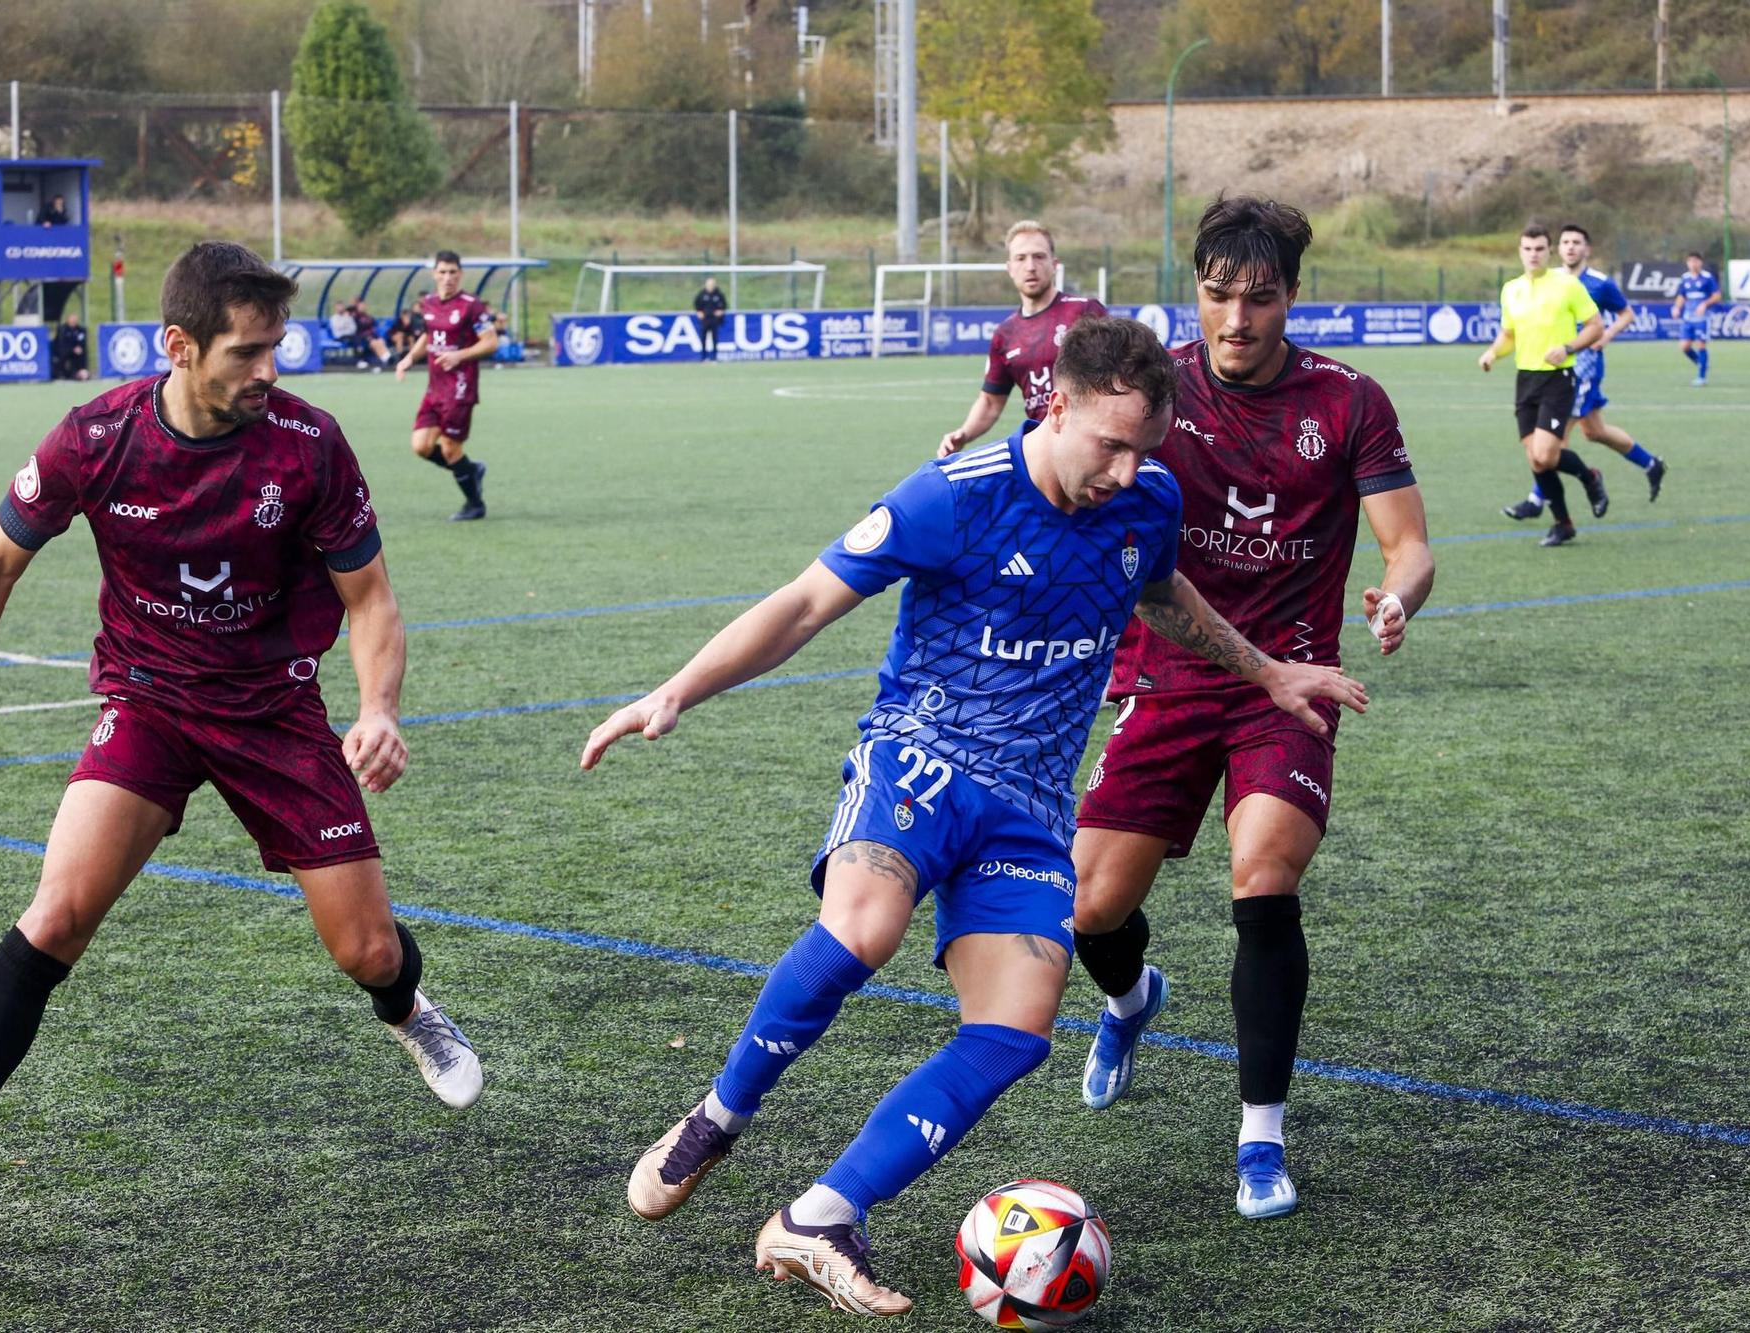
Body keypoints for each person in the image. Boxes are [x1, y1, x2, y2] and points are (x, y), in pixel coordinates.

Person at [585, 316, 1366, 1317]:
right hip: (920, 757)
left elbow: (1161, 592)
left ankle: (820, 1215)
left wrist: (1265, 668)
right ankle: (716, 1117)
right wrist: (676, 691)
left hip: (1030, 806)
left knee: (1014, 1030)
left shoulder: (1148, 501)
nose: (1129, 472)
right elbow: (803, 604)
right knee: (862, 927)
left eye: (1146, 450)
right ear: (1056, 405)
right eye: (1111, 445)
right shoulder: (950, 498)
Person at [0, 242, 481, 1235]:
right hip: (149, 702)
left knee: (368, 949)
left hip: (275, 711)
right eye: (247, 352)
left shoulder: (308, 444)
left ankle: (408, 1009)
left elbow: (368, 597)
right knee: (58, 911)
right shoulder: (97, 437)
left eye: (275, 347)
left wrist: (377, 708)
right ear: (179, 346)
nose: (269, 370)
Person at [1068, 196, 1433, 1224]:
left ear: (1290, 298)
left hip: (1293, 685)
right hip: (1164, 676)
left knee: (1262, 872)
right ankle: (1132, 999)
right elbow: (1073, 485)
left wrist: (1396, 594)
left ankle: (1259, 1138)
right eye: (1218, 297)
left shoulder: (1349, 401)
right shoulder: (1155, 392)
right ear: (1198, 293)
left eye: (1258, 299)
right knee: (1088, 909)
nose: (1236, 320)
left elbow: (1407, 543)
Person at [1504, 223, 1666, 519]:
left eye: (1577, 242)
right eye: (1565, 242)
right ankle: (1651, 463)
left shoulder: (1599, 283)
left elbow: (1626, 314)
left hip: (1584, 366)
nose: (1570, 247)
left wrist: (1606, 336)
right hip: (1551, 369)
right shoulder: (1550, 281)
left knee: (1555, 437)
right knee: (1594, 431)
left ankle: (1537, 500)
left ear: (1586, 249)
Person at [1478, 225, 1609, 548]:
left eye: (1539, 248)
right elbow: (1509, 334)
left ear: (1549, 251)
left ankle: (1590, 477)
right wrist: (1493, 353)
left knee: (1545, 454)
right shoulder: (1511, 289)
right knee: (1536, 460)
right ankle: (1563, 523)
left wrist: (1568, 348)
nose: (1533, 254)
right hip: (1526, 380)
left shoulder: (1567, 285)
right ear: (1520, 251)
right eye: (1527, 248)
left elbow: (1596, 327)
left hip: (1558, 378)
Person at [937, 220, 1108, 457]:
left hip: (1091, 443)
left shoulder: (1084, 311)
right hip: (1044, 450)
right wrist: (963, 434)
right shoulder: (1005, 334)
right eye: (1021, 258)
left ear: (1054, 264)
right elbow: (990, 402)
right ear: (1009, 268)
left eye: (1039, 257)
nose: (1030, 266)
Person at [395, 251, 498, 522]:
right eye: (442, 272)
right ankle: (470, 469)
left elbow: (490, 342)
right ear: (434, 274)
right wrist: (409, 358)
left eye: (453, 272)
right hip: (435, 388)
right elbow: (428, 336)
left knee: (450, 448)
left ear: (460, 274)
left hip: (461, 388)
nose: (448, 277)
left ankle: (475, 504)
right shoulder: (428, 303)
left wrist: (459, 355)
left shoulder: (471, 306)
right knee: (421, 446)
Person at [1672, 251, 1721, 387]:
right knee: (1684, 346)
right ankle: (1702, 362)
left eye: (1695, 261)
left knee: (1701, 344)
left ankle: (1702, 377)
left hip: (1702, 318)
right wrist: (1676, 307)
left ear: (1700, 262)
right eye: (1690, 261)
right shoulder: (1685, 278)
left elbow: (1717, 295)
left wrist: (1704, 304)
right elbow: (1682, 296)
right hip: (1688, 317)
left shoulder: (1707, 278)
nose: (1693, 264)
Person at [349, 297, 391, 371]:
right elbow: (358, 330)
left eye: (363, 305)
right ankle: (386, 359)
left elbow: (373, 328)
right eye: (360, 306)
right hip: (362, 338)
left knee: (380, 341)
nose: (362, 307)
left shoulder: (369, 317)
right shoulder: (355, 316)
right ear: (357, 307)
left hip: (371, 337)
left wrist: (378, 337)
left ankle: (387, 358)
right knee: (374, 343)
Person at [50, 309, 89, 382]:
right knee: (63, 354)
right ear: (68, 319)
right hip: (64, 350)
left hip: (77, 351)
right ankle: (63, 374)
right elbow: (61, 343)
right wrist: (72, 349)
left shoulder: (80, 330)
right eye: (72, 319)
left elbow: (82, 342)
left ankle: (82, 371)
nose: (73, 321)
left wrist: (78, 348)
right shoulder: (62, 329)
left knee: (82, 353)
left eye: (75, 319)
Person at [694, 277, 727, 361]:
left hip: (715, 320)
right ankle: (703, 357)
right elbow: (697, 305)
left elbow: (724, 305)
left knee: (714, 338)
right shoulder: (701, 294)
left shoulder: (719, 294)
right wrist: (699, 312)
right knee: (703, 338)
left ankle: (714, 357)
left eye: (712, 284)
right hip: (705, 319)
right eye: (709, 284)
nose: (710, 286)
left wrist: (721, 311)